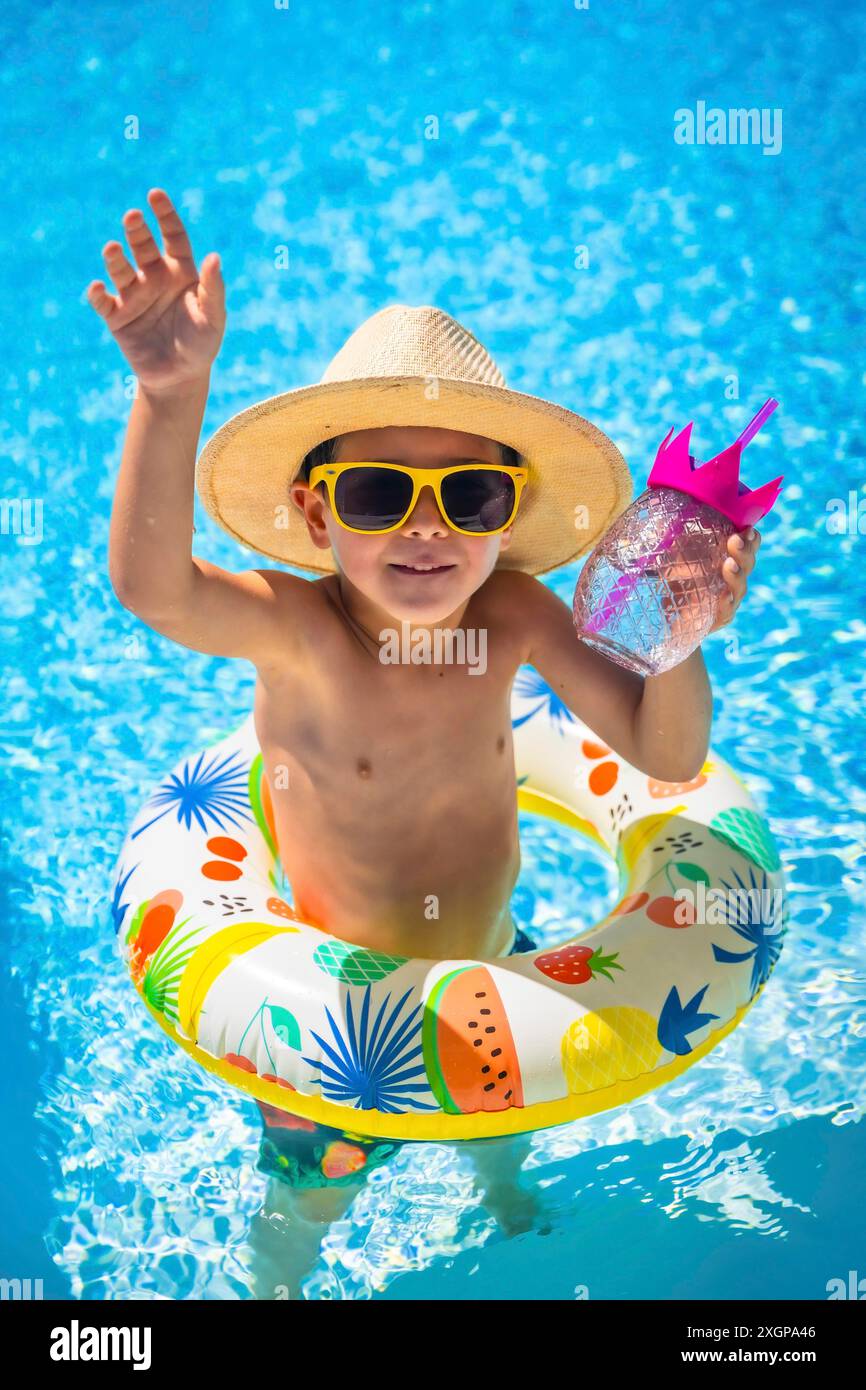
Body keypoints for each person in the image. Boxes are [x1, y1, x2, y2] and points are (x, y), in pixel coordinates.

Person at [88, 188, 761, 1292]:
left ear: (507, 515)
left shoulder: (517, 615)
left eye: (470, 492)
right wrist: (170, 395)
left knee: (504, 1144)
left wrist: (678, 636)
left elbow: (663, 757)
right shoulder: (296, 629)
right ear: (315, 516)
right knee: (305, 1209)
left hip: (494, 967)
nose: (424, 525)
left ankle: (502, 1204)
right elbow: (152, 589)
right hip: (335, 1023)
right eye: (374, 490)